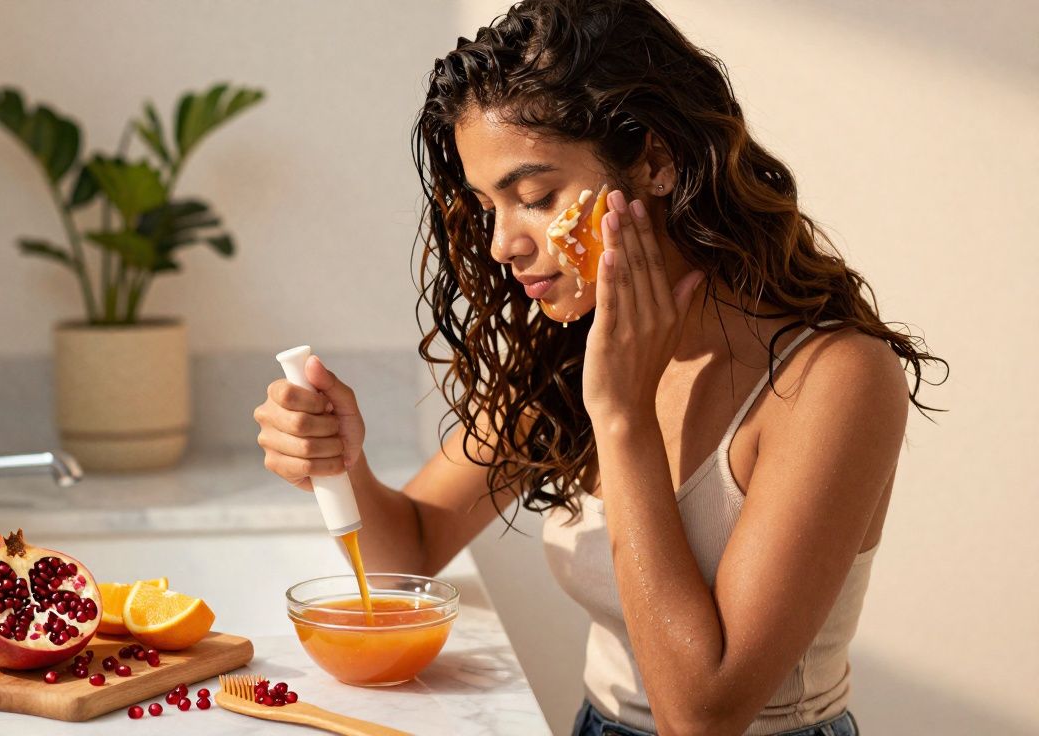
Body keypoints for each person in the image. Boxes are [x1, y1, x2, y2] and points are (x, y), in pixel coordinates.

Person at [254, 1, 944, 734]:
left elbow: (702, 716)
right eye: (490, 206)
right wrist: (343, 464)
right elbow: (420, 543)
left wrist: (622, 419)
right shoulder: (574, 341)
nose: (501, 245)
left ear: (653, 160)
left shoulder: (834, 378)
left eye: (535, 197)